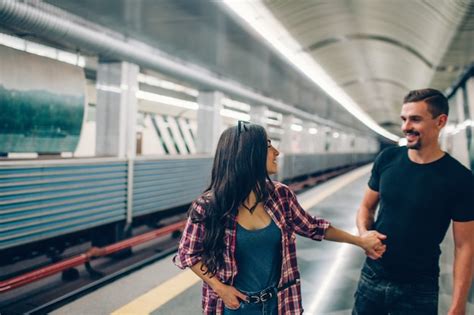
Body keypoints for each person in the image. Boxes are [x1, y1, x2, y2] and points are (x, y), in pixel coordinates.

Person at [174, 121, 386, 315]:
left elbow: (313, 227)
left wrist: (360, 241)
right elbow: (188, 254)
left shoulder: (280, 195)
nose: (276, 152)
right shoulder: (210, 206)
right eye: (268, 146)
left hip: (279, 303)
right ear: (250, 154)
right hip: (233, 307)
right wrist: (220, 288)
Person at [352, 88, 474, 315]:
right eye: (404, 119)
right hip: (372, 276)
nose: (406, 127)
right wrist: (363, 234)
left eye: (415, 119)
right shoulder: (387, 159)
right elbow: (366, 207)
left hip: (419, 287)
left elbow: (465, 246)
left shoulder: (461, 179)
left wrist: (459, 305)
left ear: (440, 122)